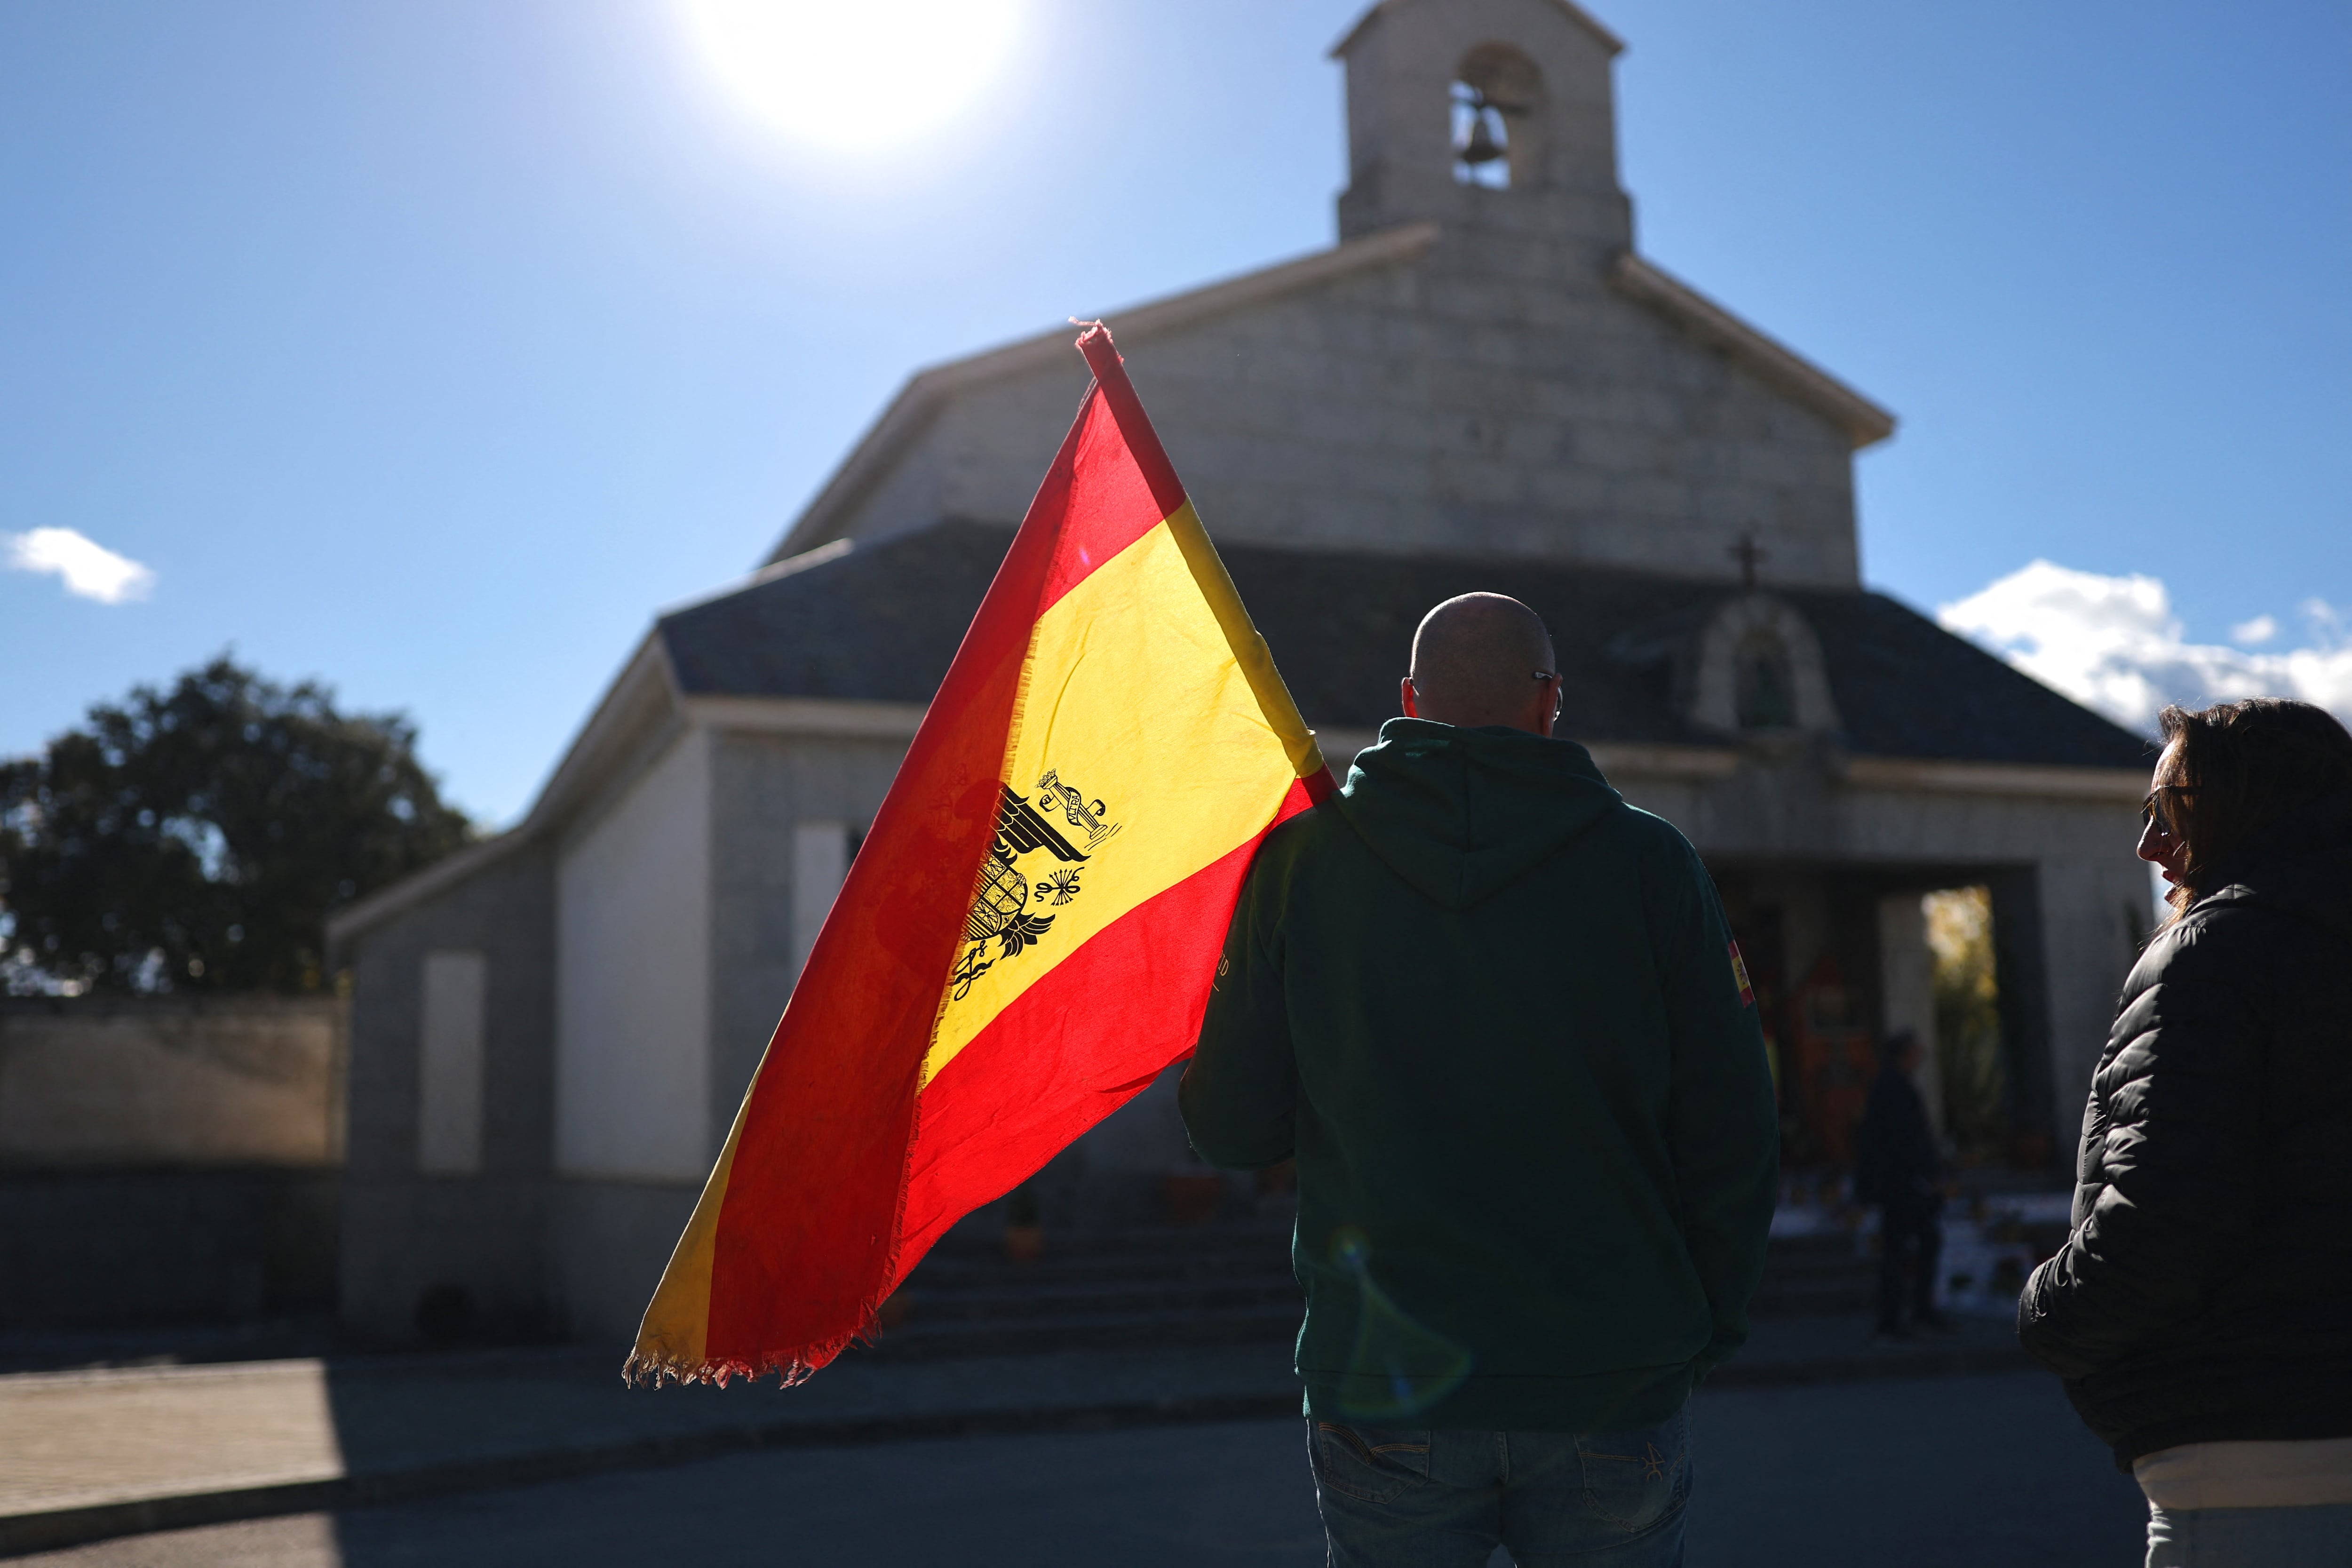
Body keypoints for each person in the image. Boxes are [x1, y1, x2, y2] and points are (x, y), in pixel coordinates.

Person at [1180, 592, 1780, 1568]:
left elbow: (1233, 1130)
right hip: (1611, 1367)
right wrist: (1699, 1327)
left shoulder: (1302, 863)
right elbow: (1734, 1127)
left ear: (1410, 700)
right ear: (1550, 700)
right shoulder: (1652, 864)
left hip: (1381, 1382)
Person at [2018, 698, 2352, 1567]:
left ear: (2245, 805)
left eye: (2167, 812)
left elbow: (2161, 1221)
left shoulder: (2218, 948)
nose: (2147, 847)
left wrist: (2045, 1312)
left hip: (2252, 1458)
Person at [1853, 1029, 1950, 1341]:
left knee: (1914, 1244)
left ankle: (1912, 1310)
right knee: (1904, 1247)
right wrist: (1926, 1173)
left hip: (1901, 1182)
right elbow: (1903, 1139)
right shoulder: (1893, 1088)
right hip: (1901, 1184)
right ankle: (1900, 1313)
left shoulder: (1894, 1085)